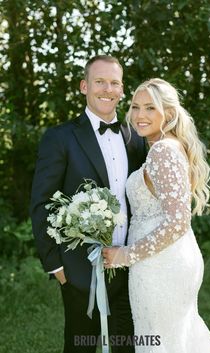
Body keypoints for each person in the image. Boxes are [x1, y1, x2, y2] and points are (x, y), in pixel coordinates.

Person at [30, 55, 146, 353]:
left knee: (127, 346)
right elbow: (42, 202)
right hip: (81, 271)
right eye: (100, 81)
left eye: (115, 83)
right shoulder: (60, 137)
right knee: (80, 346)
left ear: (122, 90)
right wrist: (56, 266)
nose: (108, 89)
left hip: (128, 264)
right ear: (84, 86)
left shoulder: (135, 138)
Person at [102, 78, 210, 353]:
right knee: (175, 339)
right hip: (166, 259)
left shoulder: (163, 151)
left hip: (160, 265)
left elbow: (178, 221)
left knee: (160, 341)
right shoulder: (166, 146)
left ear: (168, 113)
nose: (140, 115)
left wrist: (126, 255)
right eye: (135, 107)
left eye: (150, 108)